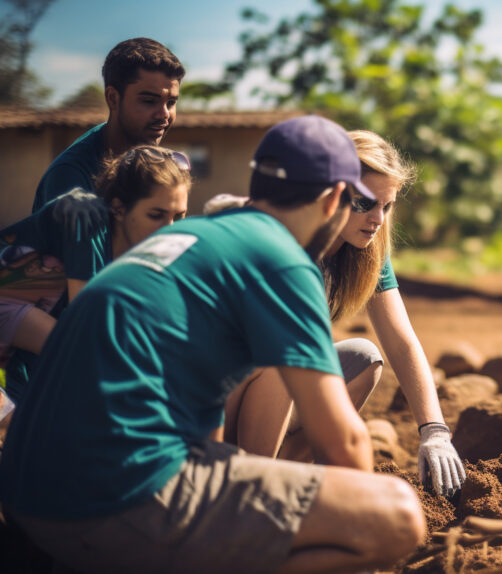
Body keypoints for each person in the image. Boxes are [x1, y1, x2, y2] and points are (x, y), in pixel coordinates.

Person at [0, 116, 425, 574]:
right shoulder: (285, 260)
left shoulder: (192, 235)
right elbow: (344, 442)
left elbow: (198, 408)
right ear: (335, 199)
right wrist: (351, 515)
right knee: (395, 514)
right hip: (108, 502)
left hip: (28, 493)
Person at [221, 130, 466, 498]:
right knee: (287, 355)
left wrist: (434, 431)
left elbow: (401, 341)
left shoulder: (365, 248)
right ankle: (251, 493)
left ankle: (291, 478)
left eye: (387, 206)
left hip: (276, 385)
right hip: (215, 397)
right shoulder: (283, 238)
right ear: (331, 192)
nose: (378, 219)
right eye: (365, 203)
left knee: (364, 359)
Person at [0, 145, 191, 404]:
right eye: (156, 215)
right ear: (118, 208)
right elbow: (86, 333)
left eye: (178, 217)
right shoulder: (88, 223)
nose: (169, 230)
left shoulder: (135, 254)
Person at [32, 37, 185, 213]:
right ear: (113, 98)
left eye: (171, 102)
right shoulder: (71, 180)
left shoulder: (148, 160)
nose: (164, 114)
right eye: (149, 101)